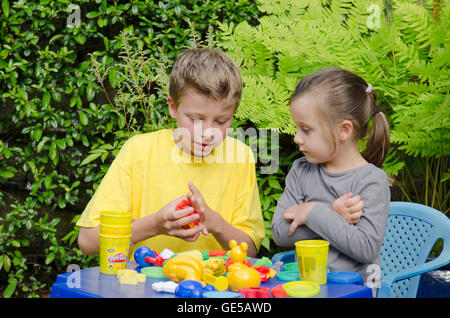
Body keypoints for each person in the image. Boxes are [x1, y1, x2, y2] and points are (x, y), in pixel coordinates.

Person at [77, 48, 265, 258]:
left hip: (215, 288)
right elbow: (88, 242)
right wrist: (155, 224)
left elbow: (250, 250)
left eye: (222, 121)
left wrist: (215, 223)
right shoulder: (138, 151)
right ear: (172, 107)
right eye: (195, 119)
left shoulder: (240, 155)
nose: (208, 133)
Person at [271, 68, 391, 283]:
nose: (297, 138)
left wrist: (313, 212)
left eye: (306, 130)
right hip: (307, 287)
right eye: (297, 128)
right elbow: (279, 233)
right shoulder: (301, 170)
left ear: (343, 130)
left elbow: (366, 248)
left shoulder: (371, 180)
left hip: (356, 290)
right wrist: (331, 213)